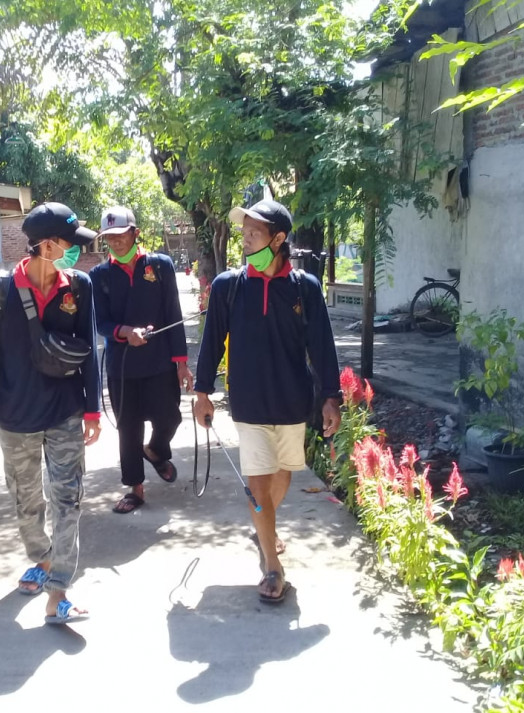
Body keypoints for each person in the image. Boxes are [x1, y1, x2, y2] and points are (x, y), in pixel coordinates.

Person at [0, 201, 101, 625]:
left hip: (65, 412)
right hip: (16, 416)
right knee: (26, 501)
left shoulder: (79, 287)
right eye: (69, 243)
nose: (76, 251)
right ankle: (41, 558)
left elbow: (90, 350)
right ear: (47, 245)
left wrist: (93, 410)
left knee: (67, 499)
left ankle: (58, 591)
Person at [194, 199, 341, 604]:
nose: (245, 240)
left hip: (293, 401)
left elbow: (322, 346)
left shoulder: (304, 288)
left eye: (253, 233)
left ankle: (264, 528)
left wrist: (331, 397)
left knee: (283, 475)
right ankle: (272, 566)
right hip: (249, 402)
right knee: (258, 482)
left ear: (278, 239)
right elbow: (211, 342)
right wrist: (202, 392)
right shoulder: (228, 287)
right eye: (243, 233)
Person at [89, 206, 193, 514]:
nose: (116, 242)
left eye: (121, 235)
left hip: (160, 362)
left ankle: (156, 450)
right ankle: (135, 487)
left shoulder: (160, 266)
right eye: (109, 237)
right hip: (122, 367)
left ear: (135, 233)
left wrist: (182, 363)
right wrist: (124, 332)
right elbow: (100, 322)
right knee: (128, 428)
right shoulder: (99, 276)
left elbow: (173, 313)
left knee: (170, 417)